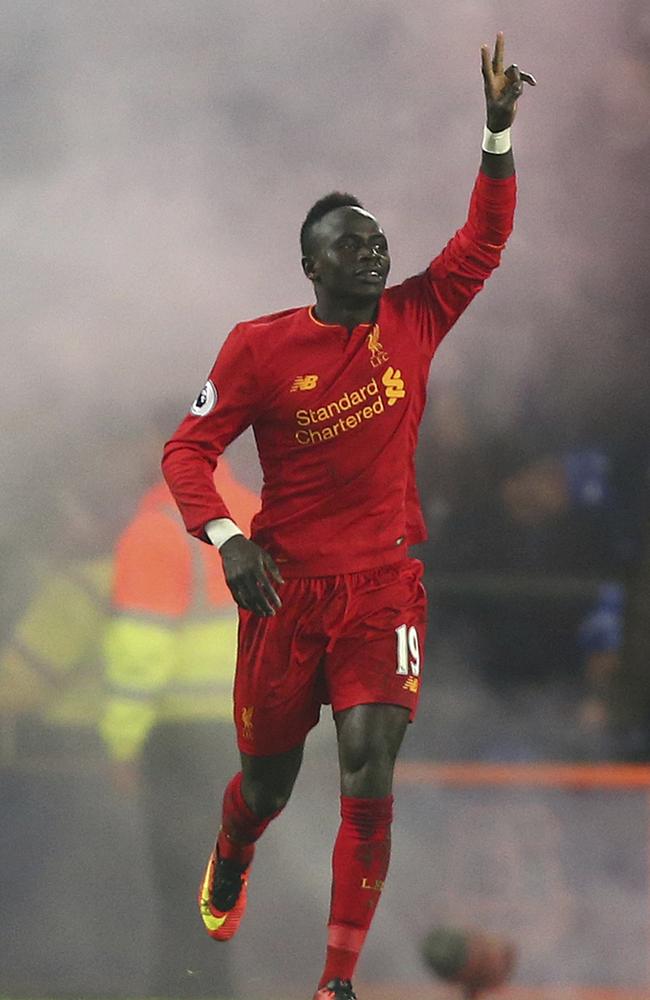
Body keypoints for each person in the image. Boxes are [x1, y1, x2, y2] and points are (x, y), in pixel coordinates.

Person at [162, 33, 535, 1000]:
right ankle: (232, 846)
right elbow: (186, 452)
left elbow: (483, 240)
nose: (375, 254)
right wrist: (230, 538)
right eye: (353, 245)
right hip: (285, 592)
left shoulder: (414, 317)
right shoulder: (258, 348)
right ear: (311, 266)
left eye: (378, 241)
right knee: (270, 790)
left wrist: (495, 134)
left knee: (368, 772)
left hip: (383, 588)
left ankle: (335, 984)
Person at [100, 455, 258, 998]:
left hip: (183, 741)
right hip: (258, 736)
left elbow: (140, 654)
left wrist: (122, 742)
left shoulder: (158, 530)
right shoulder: (260, 516)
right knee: (227, 890)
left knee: (183, 892)